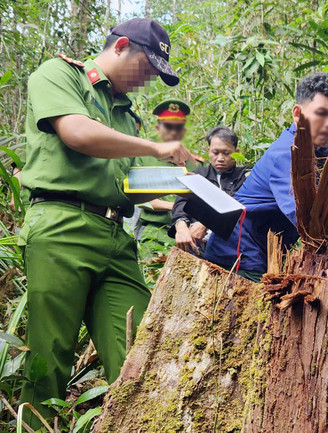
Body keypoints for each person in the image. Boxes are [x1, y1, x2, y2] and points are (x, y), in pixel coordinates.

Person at [17, 18, 191, 425]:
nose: (146, 80)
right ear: (121, 46)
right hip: (62, 225)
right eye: (145, 68)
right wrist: (154, 145)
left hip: (115, 236)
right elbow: (77, 132)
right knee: (50, 353)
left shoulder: (128, 117)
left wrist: (185, 188)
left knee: (142, 350)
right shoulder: (60, 74)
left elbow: (129, 184)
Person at [204, 72, 328, 281]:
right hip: (239, 255)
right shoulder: (287, 154)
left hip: (263, 252)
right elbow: (306, 221)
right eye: (321, 113)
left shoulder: (318, 153)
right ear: (297, 114)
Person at [133, 100, 203, 257]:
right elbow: (138, 198)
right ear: (158, 129)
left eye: (178, 127)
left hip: (190, 239)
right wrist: (174, 207)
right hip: (154, 236)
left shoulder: (196, 164)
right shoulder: (144, 159)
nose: (173, 132)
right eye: (168, 127)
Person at [170, 126, 251, 255]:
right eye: (215, 152)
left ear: (237, 152)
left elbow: (235, 202)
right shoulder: (198, 175)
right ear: (208, 151)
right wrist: (181, 226)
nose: (220, 158)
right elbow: (181, 203)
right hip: (196, 246)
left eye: (226, 153)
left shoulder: (246, 175)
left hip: (233, 249)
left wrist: (205, 223)